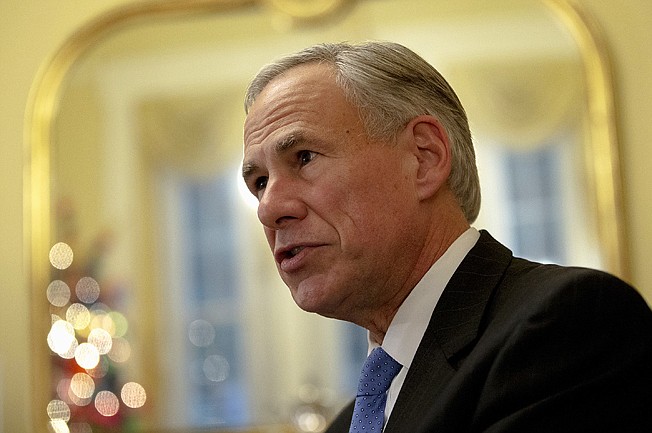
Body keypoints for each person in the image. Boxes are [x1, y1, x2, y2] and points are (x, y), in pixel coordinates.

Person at [241, 41, 652, 432]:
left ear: (424, 158)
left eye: (304, 157)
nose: (268, 208)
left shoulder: (567, 327)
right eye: (259, 182)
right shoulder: (352, 421)